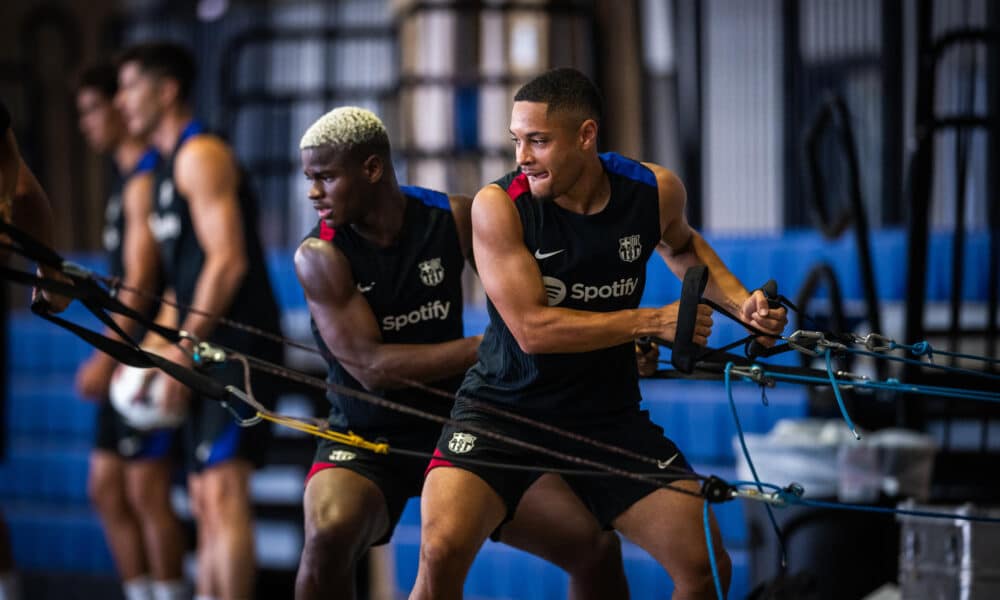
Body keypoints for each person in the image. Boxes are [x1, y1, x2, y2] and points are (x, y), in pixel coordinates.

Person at [411, 67, 789, 600]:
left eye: (538, 141)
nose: (522, 156)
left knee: (705, 565)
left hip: (605, 415)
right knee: (440, 551)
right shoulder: (498, 207)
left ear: (586, 136)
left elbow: (682, 247)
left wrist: (743, 305)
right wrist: (651, 321)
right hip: (502, 410)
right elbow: (532, 329)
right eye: (517, 140)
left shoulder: (652, 189)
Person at [293, 106, 629, 600]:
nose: (312, 192)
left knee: (595, 546)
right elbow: (372, 369)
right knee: (327, 535)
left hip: (464, 430)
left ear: (371, 168)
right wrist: (485, 347)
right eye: (309, 178)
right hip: (365, 439)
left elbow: (530, 308)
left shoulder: (450, 216)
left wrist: (612, 338)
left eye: (325, 177)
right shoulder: (318, 256)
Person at [115, 42, 282, 600]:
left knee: (224, 495)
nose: (122, 101)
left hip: (238, 345)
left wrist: (183, 346)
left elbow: (228, 259)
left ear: (166, 91)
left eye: (130, 86)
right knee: (204, 498)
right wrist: (154, 355)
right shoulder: (160, 170)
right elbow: (176, 284)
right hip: (202, 344)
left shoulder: (199, 153)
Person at [73, 63, 188, 600]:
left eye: (97, 107)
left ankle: (166, 589)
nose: (89, 123)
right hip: (126, 352)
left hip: (142, 354)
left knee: (145, 491)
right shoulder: (127, 180)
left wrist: (107, 353)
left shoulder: (147, 177)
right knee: (107, 489)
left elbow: (144, 283)